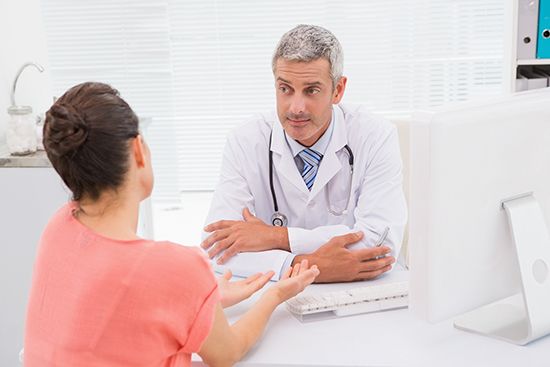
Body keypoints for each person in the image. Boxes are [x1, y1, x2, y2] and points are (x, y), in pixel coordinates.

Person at [23, 82, 320, 367]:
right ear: (139, 151)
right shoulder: (175, 266)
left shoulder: (59, 227)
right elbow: (227, 353)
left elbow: (111, 313)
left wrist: (203, 301)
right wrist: (276, 294)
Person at [201, 24, 407, 283]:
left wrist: (276, 237)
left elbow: (380, 245)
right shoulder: (246, 141)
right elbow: (216, 247)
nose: (296, 108)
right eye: (285, 89)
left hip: (361, 294)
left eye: (311, 90)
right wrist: (309, 266)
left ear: (338, 90)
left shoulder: (375, 135)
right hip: (276, 297)